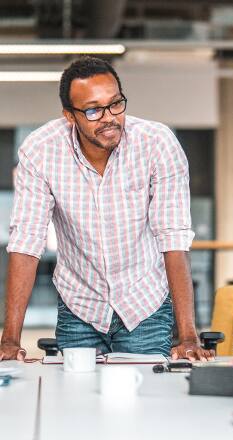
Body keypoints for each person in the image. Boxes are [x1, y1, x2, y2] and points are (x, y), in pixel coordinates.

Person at [0, 56, 212, 361]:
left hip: (144, 306)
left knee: (147, 400)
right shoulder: (40, 151)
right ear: (69, 116)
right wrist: (10, 339)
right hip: (80, 306)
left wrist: (188, 335)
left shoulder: (158, 144)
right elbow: (26, 243)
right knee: (77, 401)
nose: (109, 117)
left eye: (115, 104)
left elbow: (173, 239)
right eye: (93, 110)